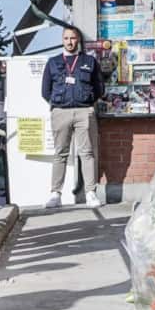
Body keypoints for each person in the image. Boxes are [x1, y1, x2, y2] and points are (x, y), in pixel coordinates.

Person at [42, 23, 103, 207]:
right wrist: (57, 105)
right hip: (60, 112)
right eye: (66, 38)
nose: (69, 42)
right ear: (62, 40)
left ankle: (91, 193)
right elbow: (45, 91)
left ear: (78, 40)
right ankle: (55, 194)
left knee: (87, 152)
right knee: (60, 153)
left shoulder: (89, 62)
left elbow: (99, 88)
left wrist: (88, 101)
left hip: (84, 111)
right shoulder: (53, 62)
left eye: (73, 38)